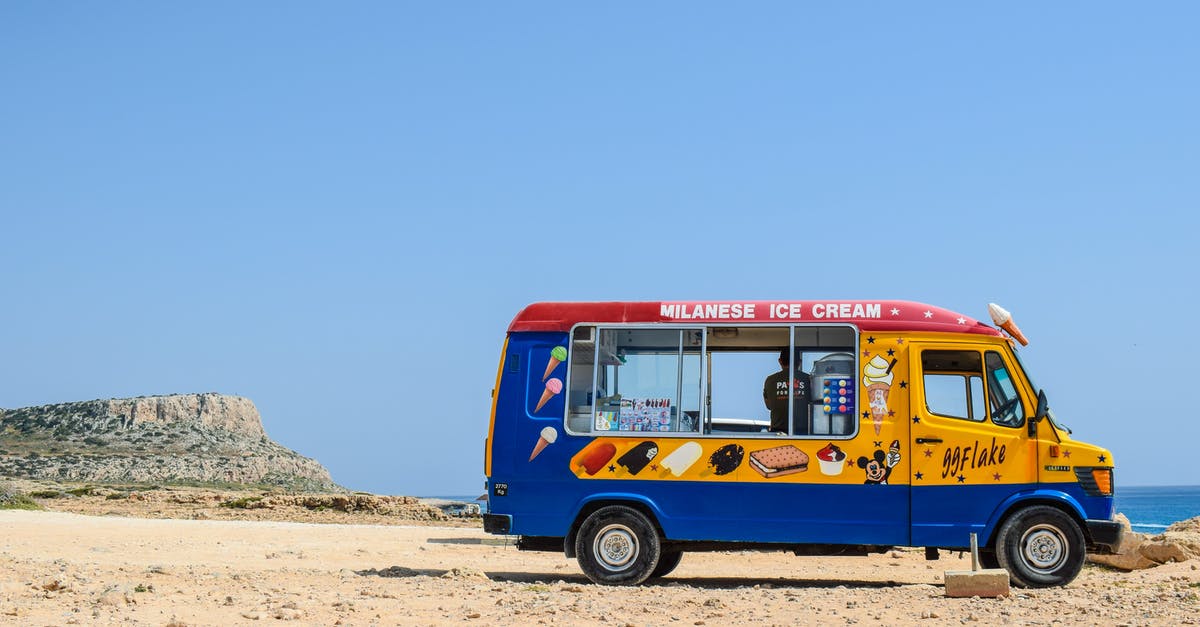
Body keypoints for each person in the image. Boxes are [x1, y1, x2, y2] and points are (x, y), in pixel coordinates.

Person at [763, 348, 811, 434]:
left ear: (780, 361)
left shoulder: (770, 380)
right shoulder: (808, 379)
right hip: (804, 432)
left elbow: (769, 406)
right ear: (799, 362)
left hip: (778, 432)